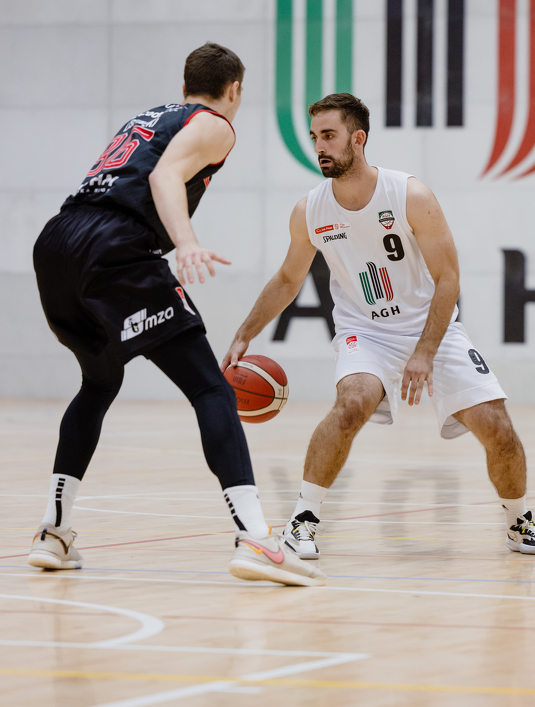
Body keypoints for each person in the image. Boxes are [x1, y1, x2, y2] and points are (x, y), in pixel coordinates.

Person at [27, 42, 324, 588]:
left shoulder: (150, 117)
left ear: (185, 84)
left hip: (57, 244)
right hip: (114, 247)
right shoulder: (215, 124)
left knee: (99, 383)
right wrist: (185, 243)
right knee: (210, 388)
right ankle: (256, 538)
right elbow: (164, 178)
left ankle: (54, 530)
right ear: (234, 89)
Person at [222, 93, 535, 561]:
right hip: (366, 332)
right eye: (315, 137)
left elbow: (448, 279)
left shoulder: (409, 195)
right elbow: (288, 279)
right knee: (351, 404)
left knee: (497, 426)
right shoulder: (309, 211)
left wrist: (425, 351)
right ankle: (302, 521)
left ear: (358, 139)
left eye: (329, 136)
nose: (319, 146)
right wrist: (245, 332)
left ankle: (518, 521)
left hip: (431, 328)